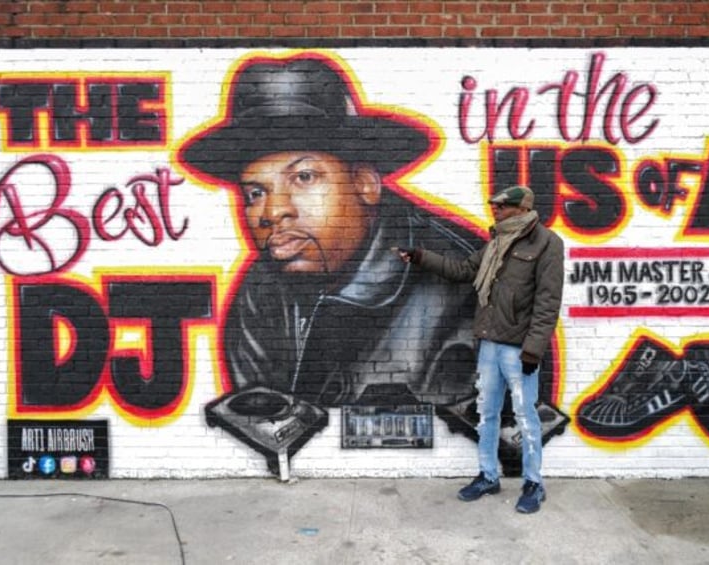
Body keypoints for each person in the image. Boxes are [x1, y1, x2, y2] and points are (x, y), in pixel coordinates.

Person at [176, 55, 483, 467]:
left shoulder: (460, 283)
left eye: (303, 177)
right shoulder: (262, 288)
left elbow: (453, 441)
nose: (272, 212)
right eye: (255, 192)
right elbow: (264, 427)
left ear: (365, 184)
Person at [398, 184, 564, 514]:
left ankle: (533, 483)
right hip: (489, 343)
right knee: (486, 414)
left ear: (521, 208)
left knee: (525, 416)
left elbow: (548, 302)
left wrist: (533, 349)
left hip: (520, 350)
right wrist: (420, 257)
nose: (495, 210)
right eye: (495, 205)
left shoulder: (547, 244)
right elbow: (462, 270)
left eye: (502, 206)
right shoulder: (496, 243)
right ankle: (488, 475)